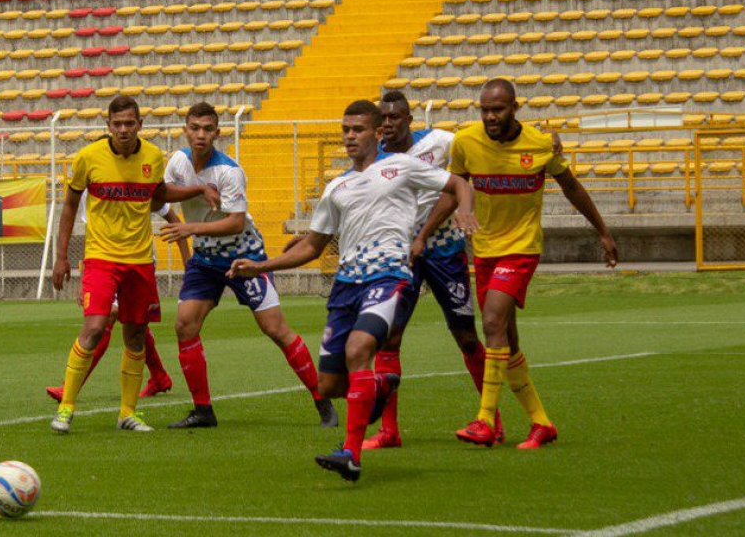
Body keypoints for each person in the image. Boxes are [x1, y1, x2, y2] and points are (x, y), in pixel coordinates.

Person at [228, 100, 477, 481]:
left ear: (378, 133)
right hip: (346, 283)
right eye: (345, 130)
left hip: (388, 275)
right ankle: (381, 382)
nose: (349, 137)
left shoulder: (401, 166)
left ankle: (351, 453)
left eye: (357, 129)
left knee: (358, 350)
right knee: (329, 384)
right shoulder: (337, 186)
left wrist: (465, 209)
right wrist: (260, 266)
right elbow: (312, 245)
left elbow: (458, 182)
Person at [452, 78, 618, 450]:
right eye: (484, 110)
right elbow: (455, 187)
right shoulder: (464, 142)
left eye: (497, 109)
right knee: (506, 341)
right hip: (484, 249)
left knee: (492, 321)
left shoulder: (541, 144)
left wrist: (603, 231)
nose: (490, 116)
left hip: (522, 248)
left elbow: (571, 186)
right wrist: (429, 230)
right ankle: (541, 423)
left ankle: (485, 420)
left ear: (514, 108)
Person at [158, 102, 336, 429]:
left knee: (275, 328)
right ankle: (203, 411)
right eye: (194, 128)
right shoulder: (179, 162)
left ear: (217, 133)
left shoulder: (228, 171)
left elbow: (236, 223)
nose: (200, 135)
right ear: (185, 129)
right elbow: (162, 195)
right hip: (206, 260)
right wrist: (194, 190)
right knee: (185, 324)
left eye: (207, 129)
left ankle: (320, 399)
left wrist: (191, 228)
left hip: (244, 256)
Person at [50, 95, 219, 434]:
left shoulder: (153, 157)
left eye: (130, 123)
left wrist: (196, 189)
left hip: (140, 259)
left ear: (140, 125)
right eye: (118, 124)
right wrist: (61, 256)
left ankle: (128, 412)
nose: (124, 129)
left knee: (136, 334)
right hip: (101, 257)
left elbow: (158, 197)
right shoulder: (88, 158)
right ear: (108, 126)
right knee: (95, 326)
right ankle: (67, 406)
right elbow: (69, 205)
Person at [361, 90, 497, 449]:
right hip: (400, 258)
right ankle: (389, 431)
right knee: (388, 337)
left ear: (409, 119)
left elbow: (482, 144)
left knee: (465, 335)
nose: (388, 124)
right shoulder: (376, 160)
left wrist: (550, 138)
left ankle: (490, 419)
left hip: (445, 252)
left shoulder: (441, 142)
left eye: (395, 117)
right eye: (383, 119)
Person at [45, 193, 186, 403]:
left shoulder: (138, 178)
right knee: (133, 323)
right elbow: (92, 232)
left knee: (110, 317)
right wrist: (86, 274)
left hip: (138, 261)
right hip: (105, 263)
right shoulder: (92, 186)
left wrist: (188, 263)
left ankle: (69, 389)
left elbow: (170, 214)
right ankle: (159, 377)